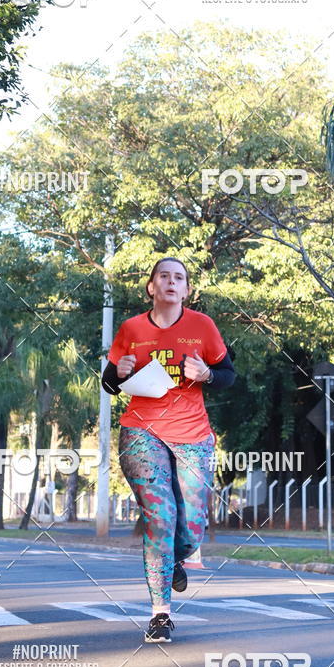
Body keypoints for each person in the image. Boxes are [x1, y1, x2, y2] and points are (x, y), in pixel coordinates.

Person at [102, 257, 235, 643]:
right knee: (160, 516)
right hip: (141, 431)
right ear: (152, 287)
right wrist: (119, 372)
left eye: (179, 277)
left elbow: (229, 376)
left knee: (192, 526)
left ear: (186, 289)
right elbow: (110, 384)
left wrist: (208, 375)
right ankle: (160, 613)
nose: (171, 282)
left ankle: (176, 558)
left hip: (193, 435)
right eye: (164, 276)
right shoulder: (131, 329)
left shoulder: (202, 326)